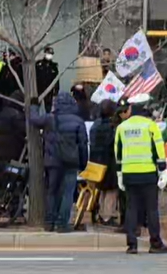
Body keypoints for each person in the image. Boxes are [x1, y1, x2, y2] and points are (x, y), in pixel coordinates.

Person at [114, 93, 167, 254]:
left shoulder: (122, 127)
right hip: (148, 173)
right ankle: (155, 243)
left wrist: (119, 174)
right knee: (151, 209)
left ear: (132, 108)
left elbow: (118, 153)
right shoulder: (150, 126)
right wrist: (163, 170)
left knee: (132, 209)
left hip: (129, 174)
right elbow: (159, 149)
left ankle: (132, 244)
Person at [32, 91, 88, 233]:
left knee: (52, 192)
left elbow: (34, 120)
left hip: (53, 162)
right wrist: (83, 163)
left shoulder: (50, 119)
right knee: (67, 193)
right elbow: (82, 145)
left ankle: (49, 222)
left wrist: (34, 106)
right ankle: (62, 224)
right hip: (71, 162)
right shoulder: (78, 121)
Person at [90, 100, 121, 226]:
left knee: (102, 188)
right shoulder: (113, 127)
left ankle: (102, 213)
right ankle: (108, 216)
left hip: (97, 160)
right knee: (111, 190)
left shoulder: (96, 125)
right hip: (110, 160)